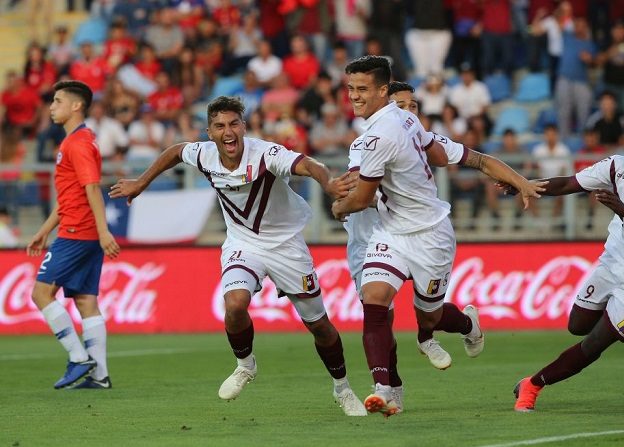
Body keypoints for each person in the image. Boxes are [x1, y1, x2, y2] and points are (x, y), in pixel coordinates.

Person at [109, 96, 366, 416]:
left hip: (286, 246)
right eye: (219, 126)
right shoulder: (203, 154)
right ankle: (246, 365)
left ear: (243, 127)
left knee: (320, 326)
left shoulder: (265, 154)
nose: (227, 131)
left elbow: (310, 165)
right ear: (210, 132)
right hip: (243, 244)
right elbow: (175, 151)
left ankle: (342, 388)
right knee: (234, 304)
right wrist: (140, 183)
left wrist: (328, 184)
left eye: (233, 124)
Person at [331, 56, 542, 417]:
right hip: (391, 233)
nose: (354, 95)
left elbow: (362, 198)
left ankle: (466, 323)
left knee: (427, 318)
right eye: (350, 88)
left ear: (383, 90)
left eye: (362, 88)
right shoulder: (407, 121)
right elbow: (452, 157)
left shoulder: (380, 136)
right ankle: (385, 388)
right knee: (374, 300)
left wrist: (339, 208)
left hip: (431, 235)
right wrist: (517, 178)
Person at [506, 117, 624, 412]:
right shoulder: (616, 166)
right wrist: (522, 184)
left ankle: (533, 384)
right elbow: (568, 183)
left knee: (594, 344)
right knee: (577, 325)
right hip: (616, 256)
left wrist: (621, 209)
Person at [26, 80, 121, 390]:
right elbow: (72, 194)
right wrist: (43, 231)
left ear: (75, 106)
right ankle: (100, 376)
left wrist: (104, 230)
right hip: (82, 229)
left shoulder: (76, 144)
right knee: (85, 301)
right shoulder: (80, 141)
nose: (51, 107)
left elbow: (93, 187)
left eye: (56, 101)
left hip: (77, 231)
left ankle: (79, 358)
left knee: (41, 293)